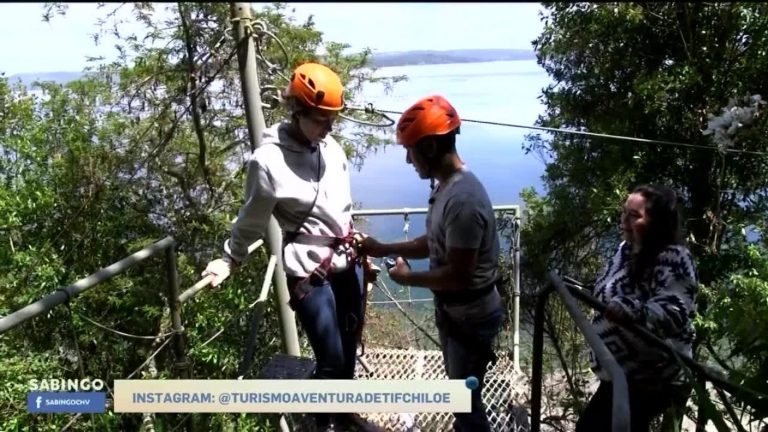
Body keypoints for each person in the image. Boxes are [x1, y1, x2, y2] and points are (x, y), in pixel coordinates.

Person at [201, 62, 379, 432]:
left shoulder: (331, 147)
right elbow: (253, 216)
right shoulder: (267, 162)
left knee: (348, 350)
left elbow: (342, 209)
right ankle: (322, 423)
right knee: (329, 357)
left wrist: (361, 252)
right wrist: (229, 257)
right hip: (309, 269)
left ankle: (344, 414)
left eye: (332, 120)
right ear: (296, 111)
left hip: (347, 260)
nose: (327, 128)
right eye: (320, 119)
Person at [360, 95, 504, 432]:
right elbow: (434, 242)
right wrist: (380, 247)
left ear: (428, 148)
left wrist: (407, 279)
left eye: (410, 150)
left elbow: (458, 274)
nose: (408, 161)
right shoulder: (447, 188)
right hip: (459, 314)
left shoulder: (464, 200)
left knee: (465, 402)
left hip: (471, 317)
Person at [576, 185, 699, 432]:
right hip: (620, 372)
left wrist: (630, 309)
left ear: (657, 222)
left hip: (651, 377)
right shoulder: (625, 250)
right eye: (624, 213)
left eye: (634, 216)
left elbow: (674, 311)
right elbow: (610, 288)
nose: (624, 221)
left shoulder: (674, 257)